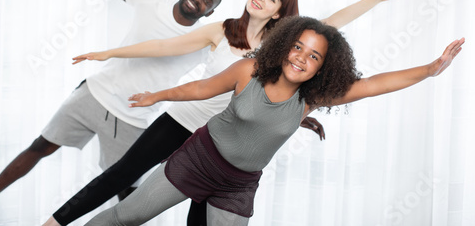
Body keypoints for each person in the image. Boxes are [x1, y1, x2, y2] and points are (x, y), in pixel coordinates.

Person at [43, 0, 414, 226]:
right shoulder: (222, 30)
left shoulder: (283, 44)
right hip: (184, 121)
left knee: (200, 214)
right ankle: (55, 222)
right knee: (124, 175)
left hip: (222, 137)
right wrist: (110, 53)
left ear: (281, 12)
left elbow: (327, 29)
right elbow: (162, 46)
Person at [84, 16, 464, 226]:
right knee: (126, 216)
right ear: (285, 46)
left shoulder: (313, 97)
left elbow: (375, 84)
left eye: (313, 56)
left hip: (239, 184)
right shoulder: (248, 71)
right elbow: (201, 88)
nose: (301, 58)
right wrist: (159, 95)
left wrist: (431, 69)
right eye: (298, 47)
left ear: (323, 66)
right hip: (199, 159)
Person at [0, 0, 222, 216]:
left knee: (127, 194)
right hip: (95, 94)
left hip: (133, 117)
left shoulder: (204, 41)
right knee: (40, 146)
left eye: (206, 1)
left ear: (209, 13)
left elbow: (223, 72)